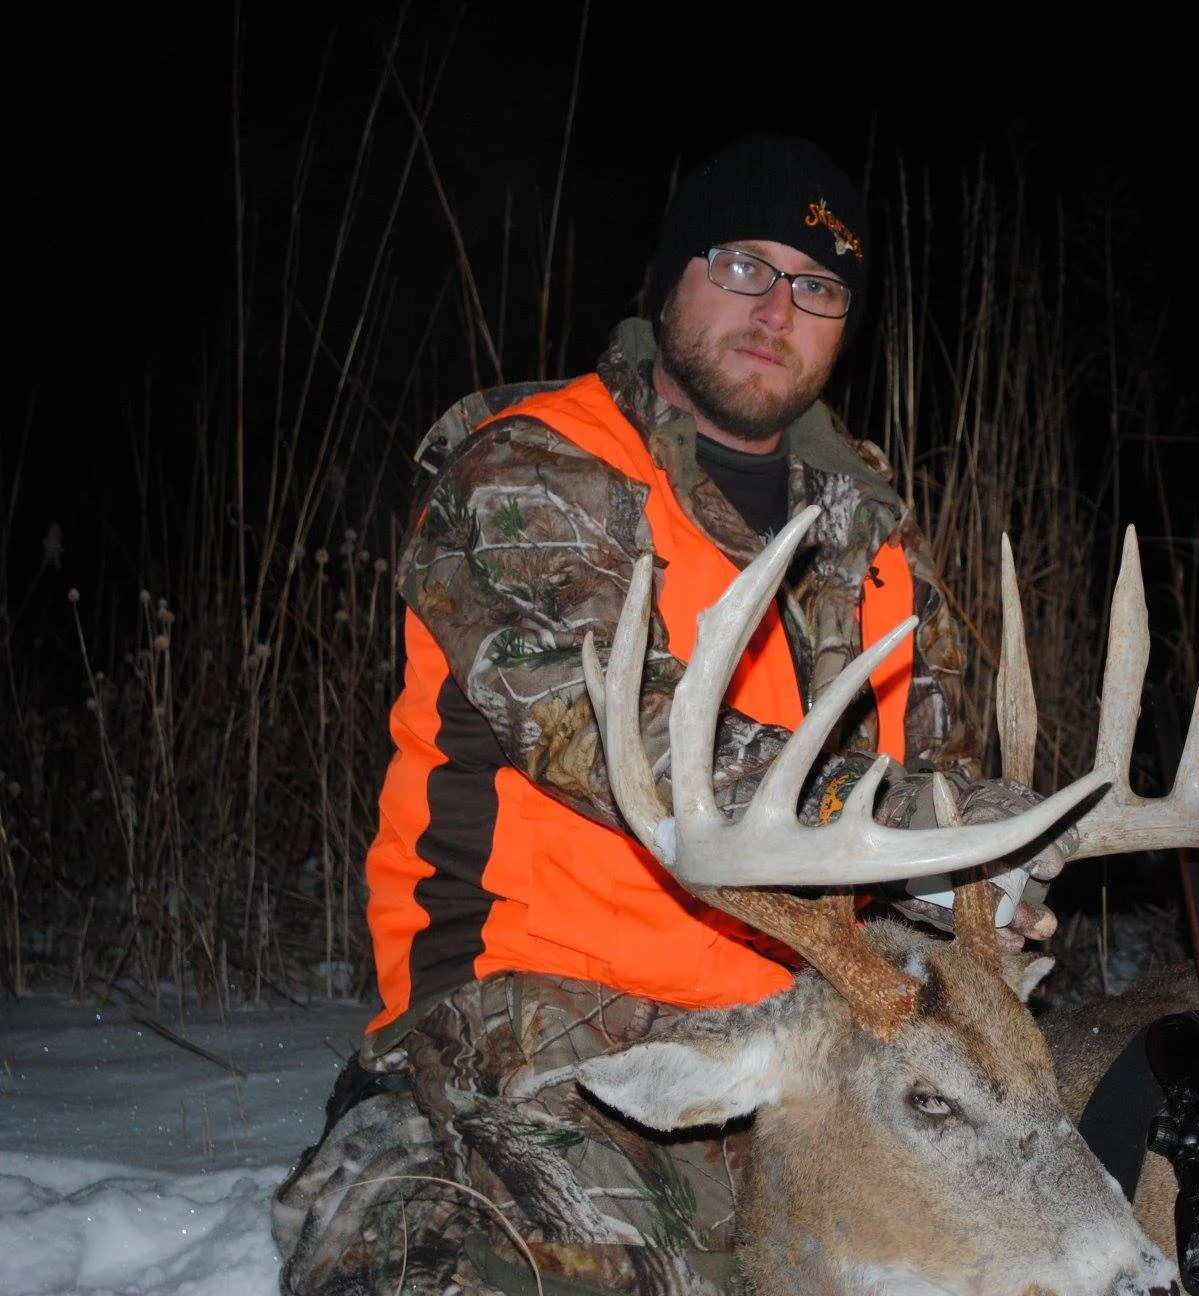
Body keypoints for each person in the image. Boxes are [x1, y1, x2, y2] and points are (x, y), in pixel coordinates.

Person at [271, 134, 1061, 1296]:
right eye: (742, 265)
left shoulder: (877, 543)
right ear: (667, 281)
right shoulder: (534, 471)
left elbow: (940, 790)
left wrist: (995, 889)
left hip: (817, 1048)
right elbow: (617, 732)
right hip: (538, 1031)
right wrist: (925, 826)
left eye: (818, 286)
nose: (776, 308)